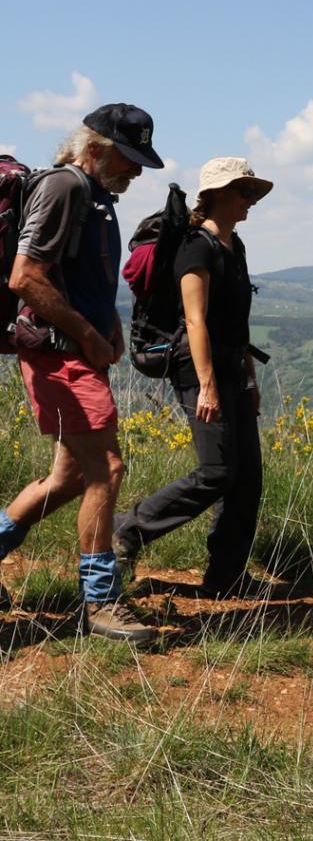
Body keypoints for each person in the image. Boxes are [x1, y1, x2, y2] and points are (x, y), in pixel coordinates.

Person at [0, 103, 164, 643]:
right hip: (60, 352)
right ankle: (101, 602)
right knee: (106, 469)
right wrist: (89, 335)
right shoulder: (65, 187)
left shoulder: (96, 196)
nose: (136, 170)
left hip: (77, 350)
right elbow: (26, 278)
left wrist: (109, 323)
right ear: (94, 148)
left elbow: (84, 277)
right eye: (129, 157)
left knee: (70, 477)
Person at [113, 156, 272, 597]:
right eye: (245, 191)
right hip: (197, 368)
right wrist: (206, 386)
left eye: (253, 193)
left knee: (247, 478)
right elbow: (195, 319)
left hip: (231, 366)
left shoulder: (234, 246)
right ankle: (127, 529)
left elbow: (236, 324)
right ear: (218, 193)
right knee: (216, 472)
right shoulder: (196, 247)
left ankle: (226, 575)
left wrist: (249, 380)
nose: (251, 200)